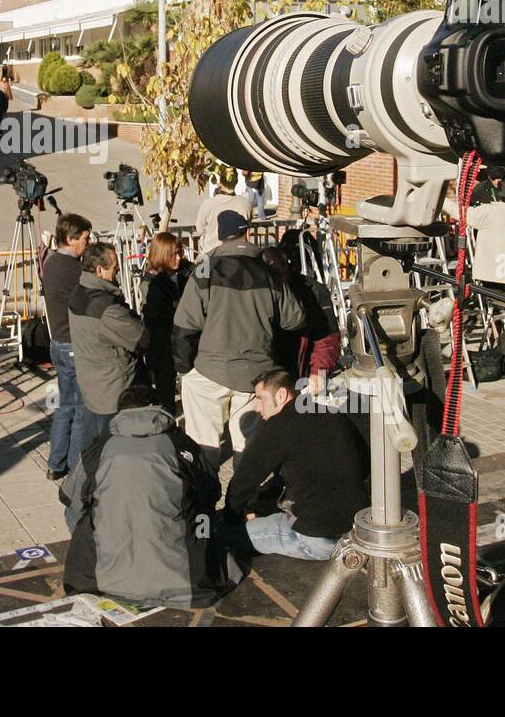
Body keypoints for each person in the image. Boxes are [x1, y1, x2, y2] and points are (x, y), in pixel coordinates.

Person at [60, 385, 244, 609]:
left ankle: (111, 560)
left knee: (78, 509)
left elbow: (69, 497)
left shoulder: (99, 449)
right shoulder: (181, 445)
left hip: (105, 580)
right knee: (202, 513)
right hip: (183, 580)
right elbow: (210, 493)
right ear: (157, 409)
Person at [173, 210, 306, 470]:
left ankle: (204, 505)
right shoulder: (268, 271)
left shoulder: (205, 269)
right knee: (247, 448)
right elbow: (295, 319)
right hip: (255, 374)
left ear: (220, 237)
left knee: (203, 446)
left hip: (209, 372)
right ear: (247, 232)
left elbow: (184, 325)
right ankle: (244, 504)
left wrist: (183, 368)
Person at [223, 368, 368, 560]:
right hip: (358, 530)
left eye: (261, 398)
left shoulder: (279, 426)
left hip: (316, 539)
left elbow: (244, 480)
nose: (258, 408)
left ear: (282, 395)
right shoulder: (333, 413)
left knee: (226, 537)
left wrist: (231, 519)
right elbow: (364, 463)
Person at [68, 242, 148, 451]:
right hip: (113, 391)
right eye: (114, 269)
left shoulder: (78, 291)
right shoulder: (106, 308)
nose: (118, 272)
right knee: (113, 450)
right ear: (99, 270)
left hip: (91, 384)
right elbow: (141, 337)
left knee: (92, 448)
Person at [41, 212, 92, 480]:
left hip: (58, 342)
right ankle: (74, 466)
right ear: (71, 239)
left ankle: (55, 462)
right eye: (85, 238)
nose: (88, 242)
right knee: (81, 409)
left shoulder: (51, 261)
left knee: (65, 406)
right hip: (72, 343)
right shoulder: (72, 268)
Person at [260, 243, 340, 395]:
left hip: (300, 374)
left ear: (286, 265)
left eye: (276, 267)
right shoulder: (257, 294)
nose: (274, 275)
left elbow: (326, 337)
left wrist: (318, 372)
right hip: (264, 376)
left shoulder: (314, 291)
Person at [139, 231, 188, 416]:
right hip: (163, 345)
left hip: (183, 341)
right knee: (166, 395)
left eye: (180, 252)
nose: (178, 258)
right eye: (173, 254)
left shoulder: (185, 272)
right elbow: (154, 318)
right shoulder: (151, 282)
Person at [194, 166, 252, 253]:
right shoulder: (245, 203)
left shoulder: (208, 204)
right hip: (238, 254)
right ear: (236, 182)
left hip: (212, 254)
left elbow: (200, 229)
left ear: (220, 182)